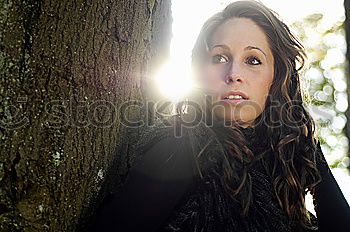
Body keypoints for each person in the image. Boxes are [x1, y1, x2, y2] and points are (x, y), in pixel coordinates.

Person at [88, 1, 350, 231]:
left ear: (276, 77)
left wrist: (309, 150)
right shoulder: (183, 145)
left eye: (253, 60)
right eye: (220, 57)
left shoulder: (281, 163)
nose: (234, 73)